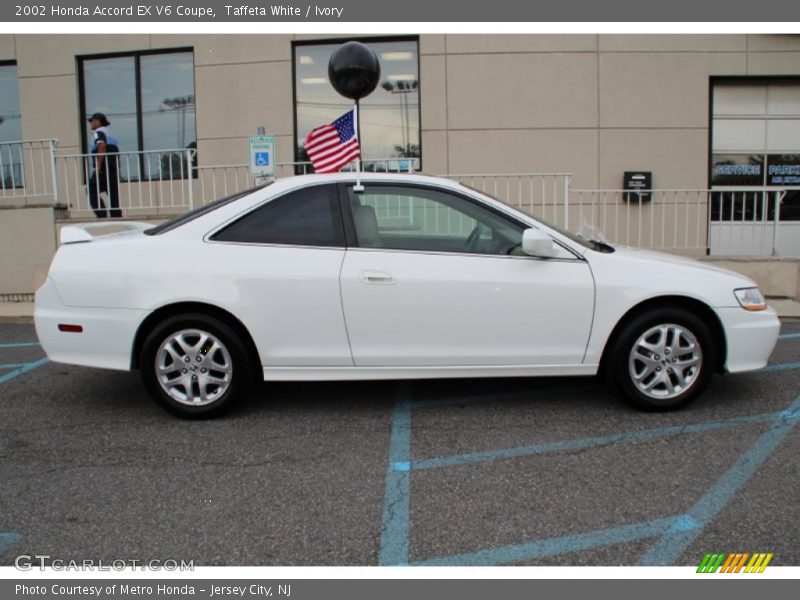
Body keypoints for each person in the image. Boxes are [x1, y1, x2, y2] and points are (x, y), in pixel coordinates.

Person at [87, 112, 121, 218]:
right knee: (111, 190)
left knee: (91, 188)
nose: (91, 123)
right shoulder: (110, 132)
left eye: (92, 121)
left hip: (104, 167)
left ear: (97, 121)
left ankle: (101, 213)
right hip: (113, 166)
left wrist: (98, 165)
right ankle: (116, 215)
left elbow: (102, 146)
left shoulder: (98, 132)